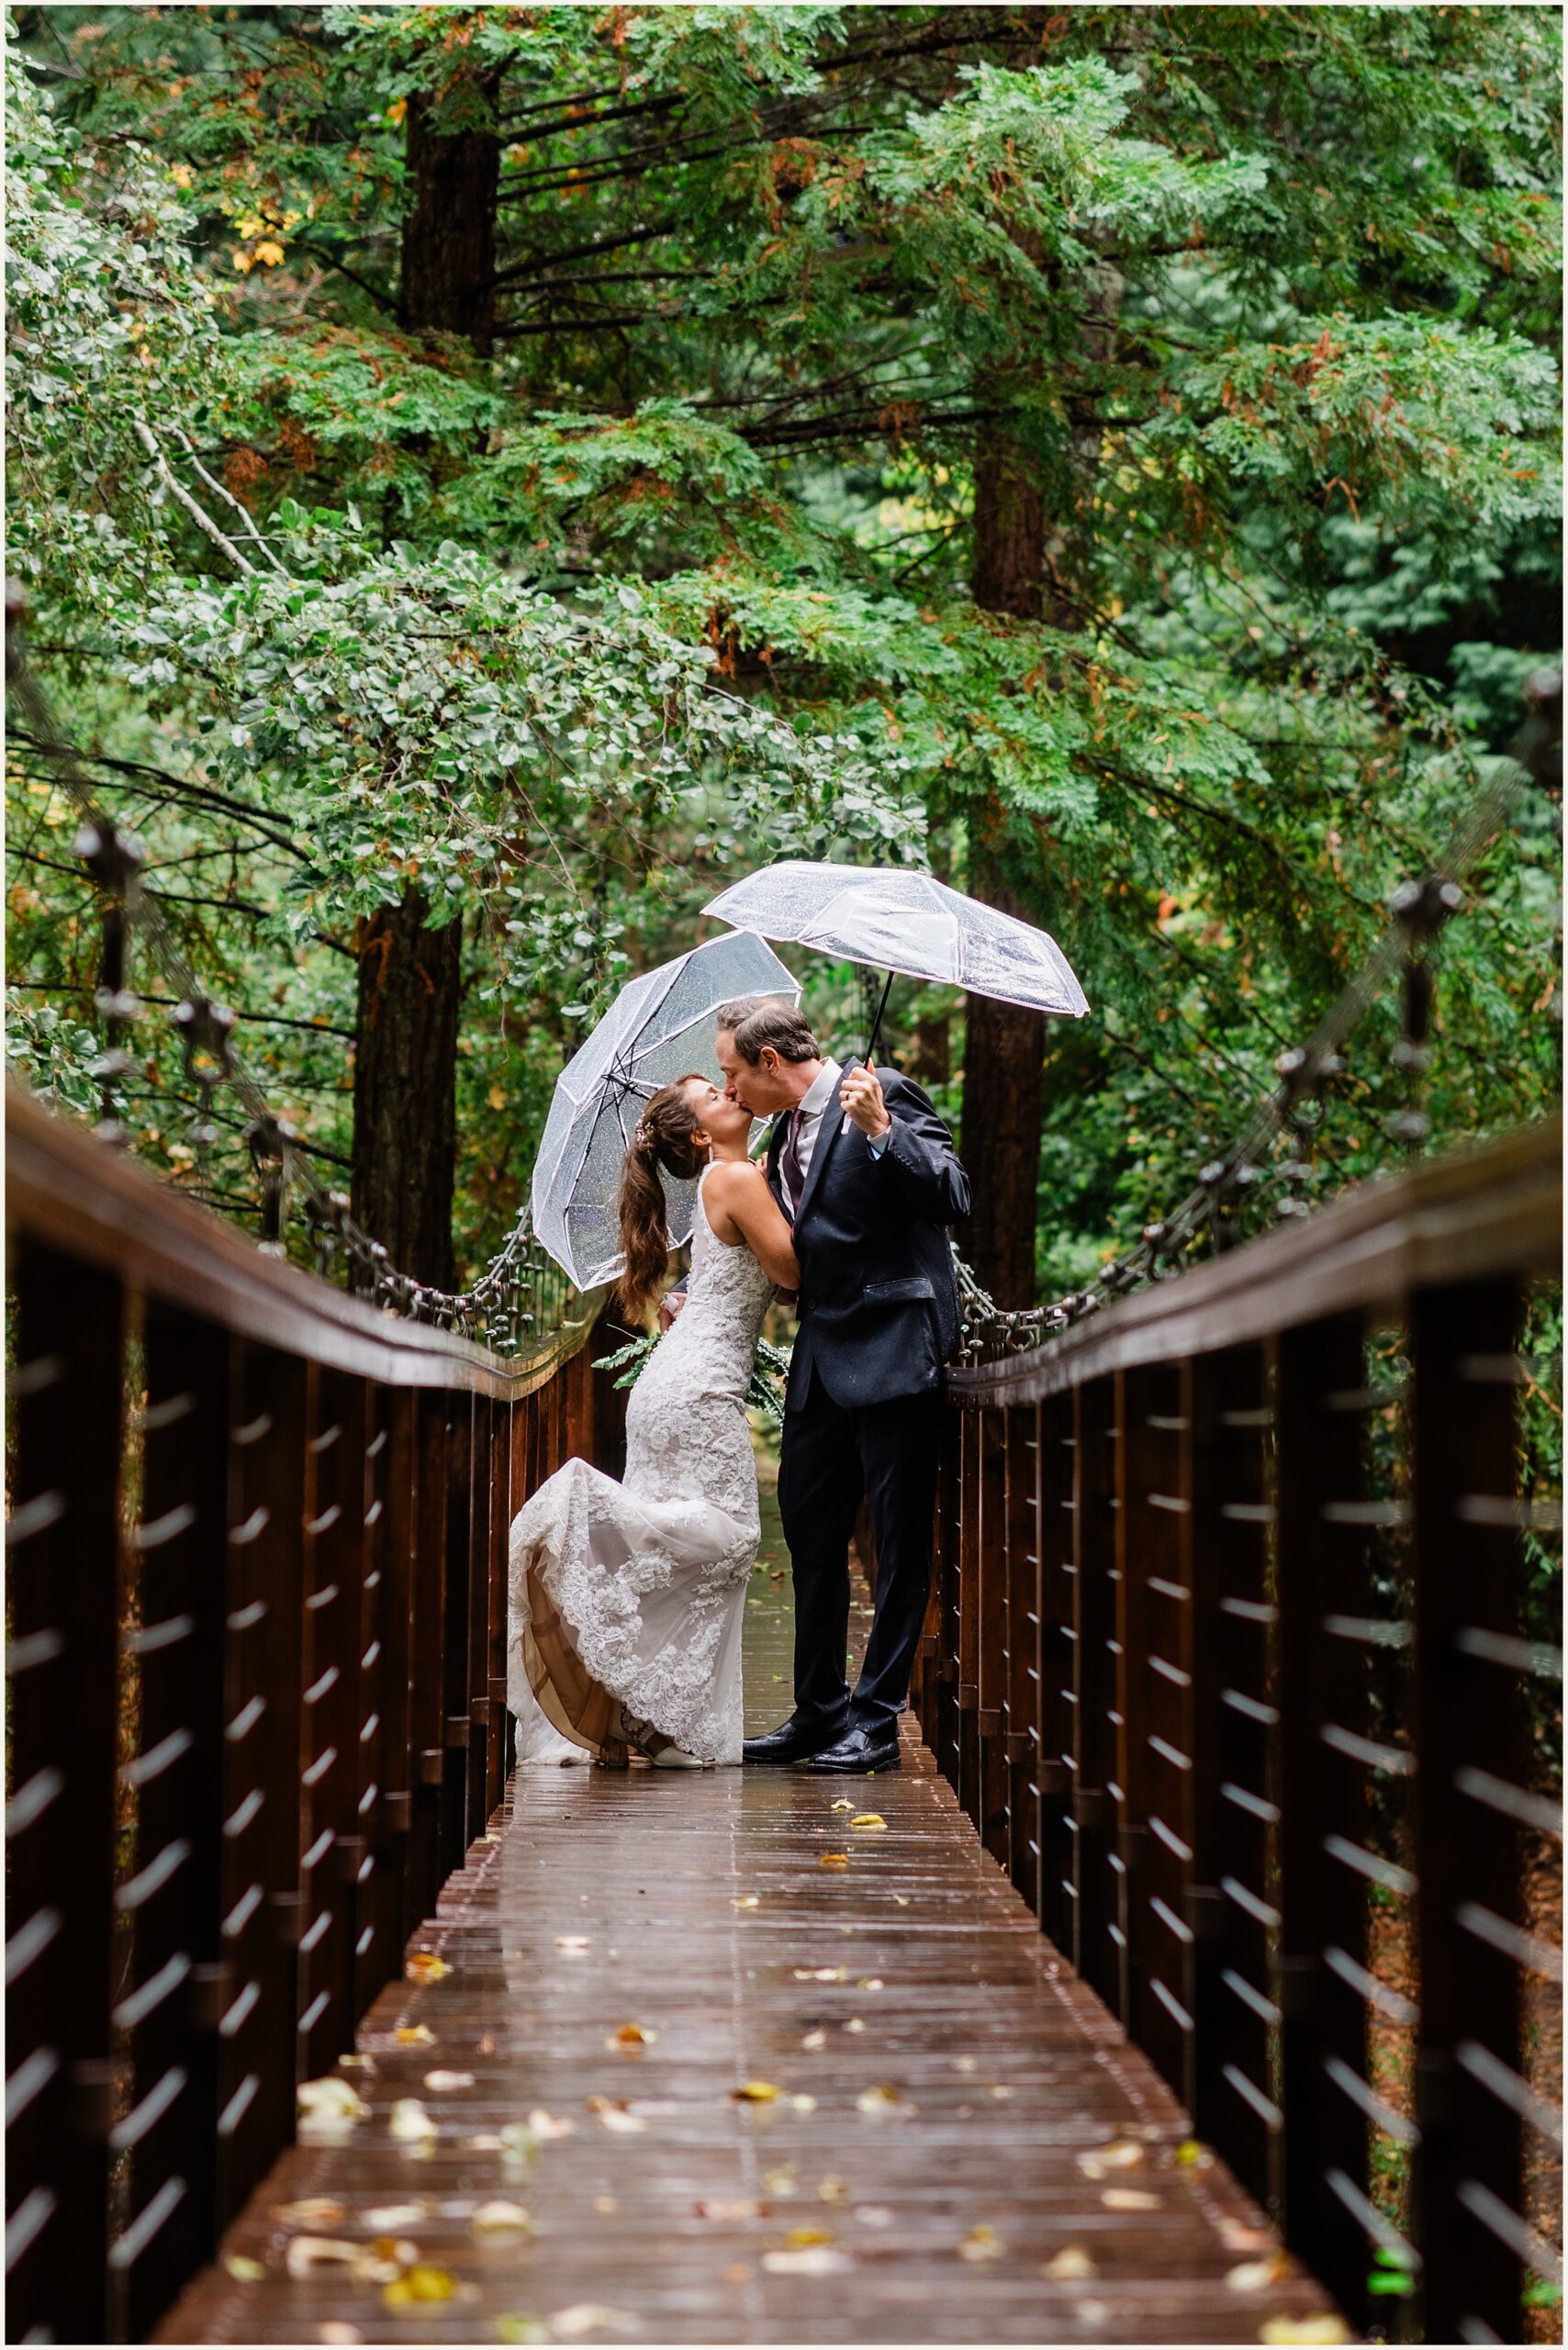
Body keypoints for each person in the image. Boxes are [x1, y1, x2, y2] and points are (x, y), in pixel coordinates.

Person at [508, 1074, 798, 1767]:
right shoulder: (735, 1179)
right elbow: (791, 1270)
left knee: (693, 1530)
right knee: (729, 1537)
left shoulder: (724, 1181)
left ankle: (647, 1715)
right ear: (701, 1134)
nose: (733, 1092)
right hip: (697, 1388)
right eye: (716, 1096)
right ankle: (575, 1508)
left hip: (674, 1382)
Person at [714, 997, 970, 1775]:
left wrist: (882, 1133)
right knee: (809, 1530)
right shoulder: (781, 1132)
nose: (728, 1095)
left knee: (897, 1540)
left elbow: (953, 1197)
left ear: (768, 1063)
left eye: (732, 1076)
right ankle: (818, 1712)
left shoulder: (882, 1091)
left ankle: (876, 1721)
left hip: (897, 1348)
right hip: (822, 1355)